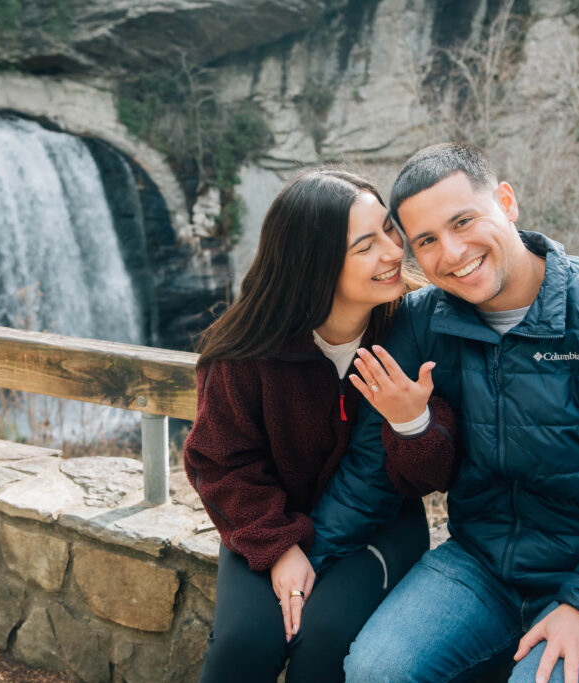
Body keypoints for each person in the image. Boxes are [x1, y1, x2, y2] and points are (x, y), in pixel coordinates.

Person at [308, 143, 579, 683]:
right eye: (427, 241)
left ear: (506, 201)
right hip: (481, 565)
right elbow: (371, 466)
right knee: (374, 669)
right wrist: (305, 555)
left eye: (464, 221)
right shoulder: (421, 322)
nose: (453, 252)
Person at [183, 169, 453, 682]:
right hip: (265, 519)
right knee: (243, 645)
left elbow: (438, 469)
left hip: (379, 522)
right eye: (366, 245)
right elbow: (220, 462)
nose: (395, 252)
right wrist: (280, 546)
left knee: (324, 641)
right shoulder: (248, 349)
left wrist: (412, 421)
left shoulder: (415, 330)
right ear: (317, 264)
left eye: (389, 231)